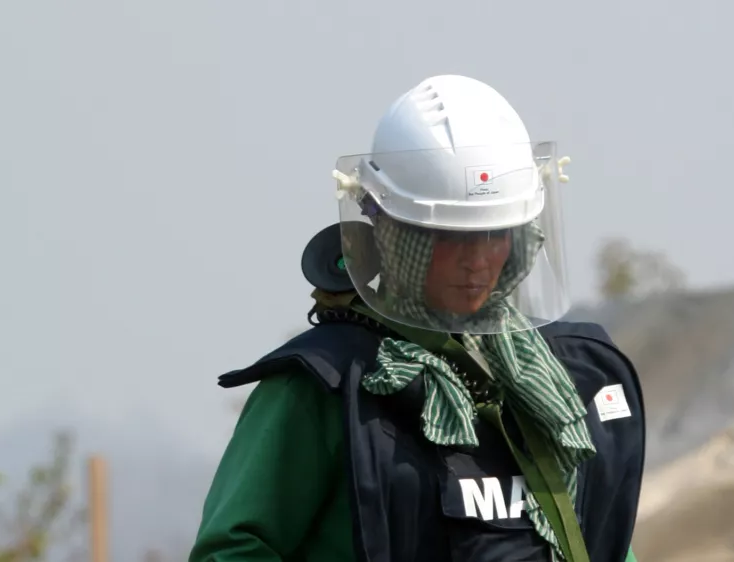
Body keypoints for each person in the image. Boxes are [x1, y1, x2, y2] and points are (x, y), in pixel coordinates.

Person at [190, 75, 645, 562]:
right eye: (450, 238)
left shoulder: (556, 384)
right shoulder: (324, 387)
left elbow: (603, 543)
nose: (477, 261)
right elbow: (232, 550)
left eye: (494, 235)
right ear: (393, 233)